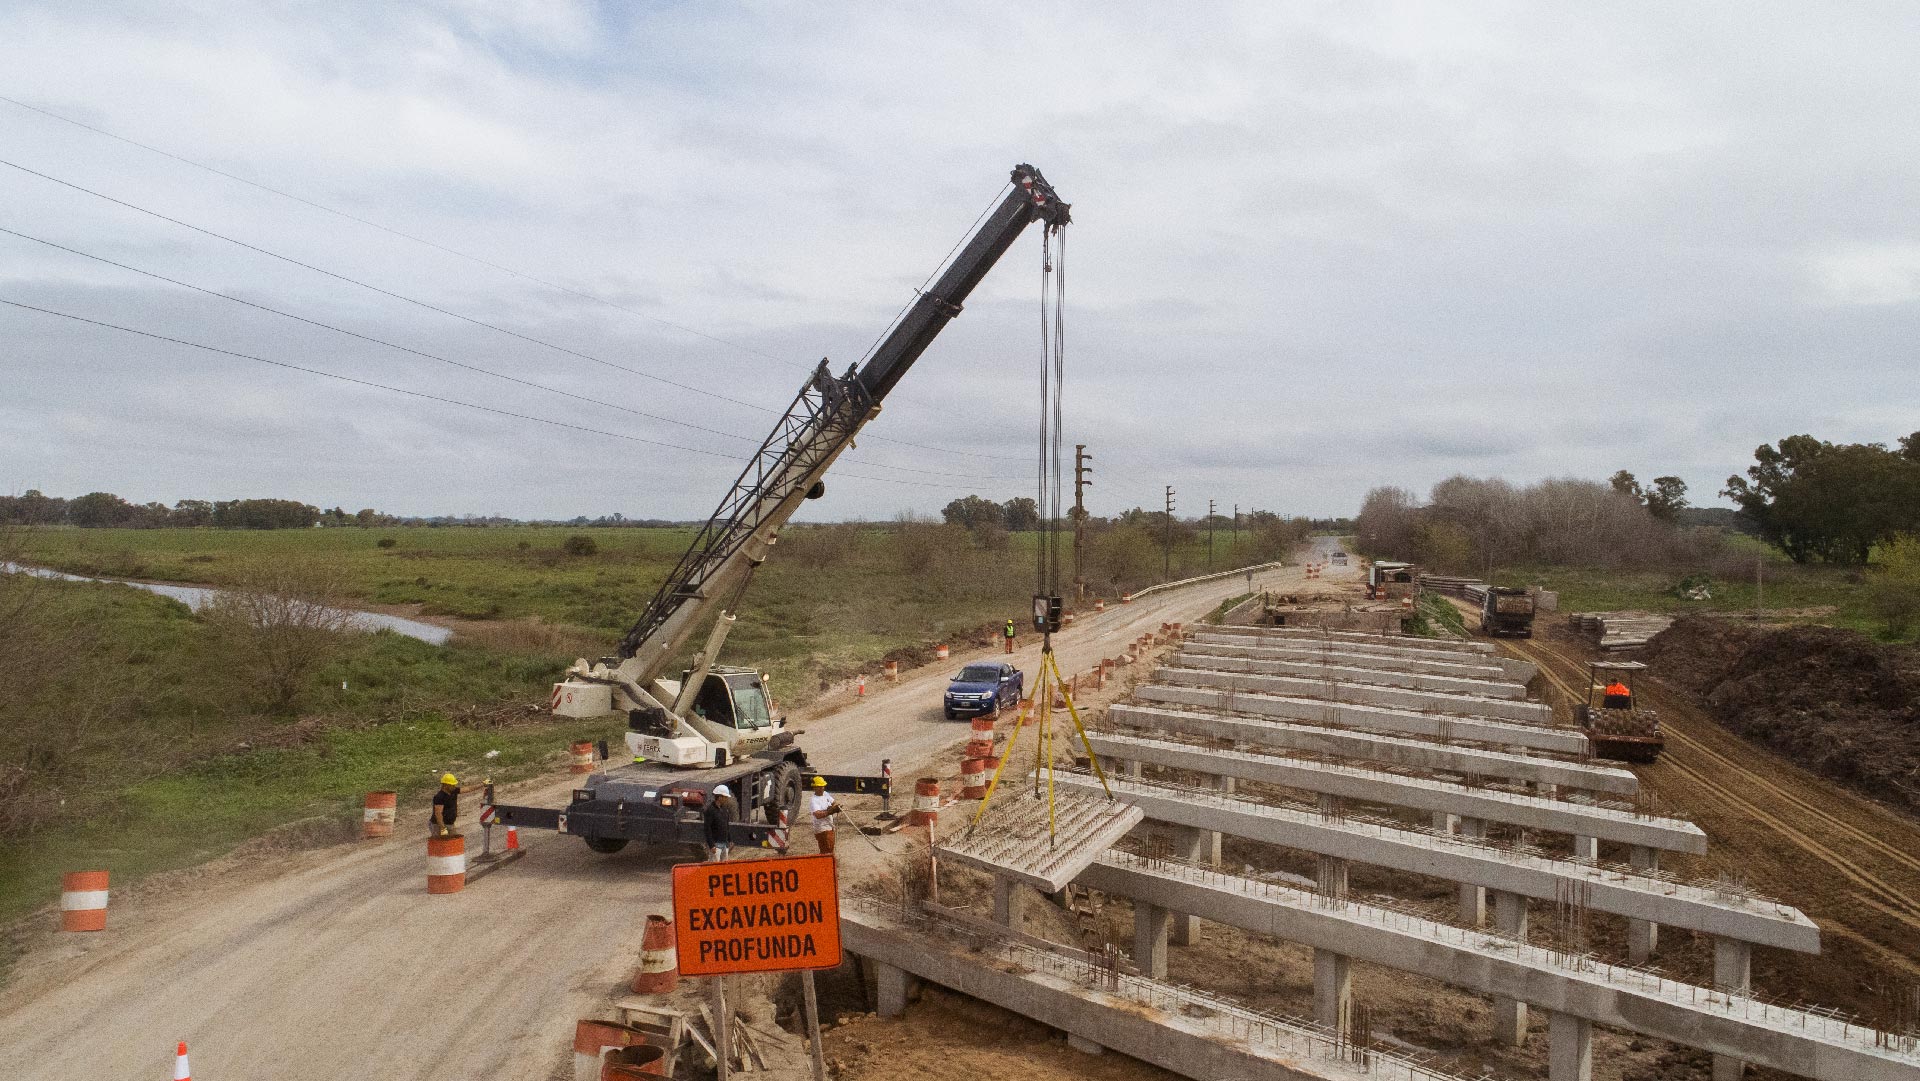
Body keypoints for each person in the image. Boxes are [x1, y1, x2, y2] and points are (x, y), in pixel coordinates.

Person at [809, 775, 842, 855]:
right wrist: (830, 812)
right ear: (815, 788)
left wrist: (835, 807)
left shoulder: (825, 794)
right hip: (822, 829)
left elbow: (834, 802)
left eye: (823, 786)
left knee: (829, 848)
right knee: (827, 850)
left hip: (829, 826)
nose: (822, 788)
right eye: (820, 787)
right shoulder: (814, 800)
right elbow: (817, 815)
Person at [704, 784, 737, 862]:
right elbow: (707, 828)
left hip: (724, 844)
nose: (727, 799)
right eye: (725, 797)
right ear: (719, 797)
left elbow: (726, 826)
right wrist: (711, 845)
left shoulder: (724, 810)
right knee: (714, 868)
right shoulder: (710, 810)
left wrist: (730, 840)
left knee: (724, 867)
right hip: (716, 846)